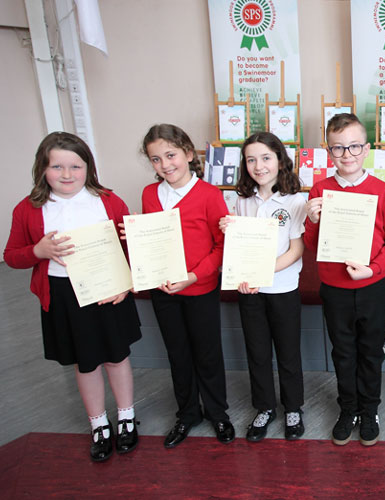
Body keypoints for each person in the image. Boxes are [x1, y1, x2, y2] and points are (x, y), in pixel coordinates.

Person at [4, 132, 141, 462]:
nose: (67, 174)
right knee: (85, 361)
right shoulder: (29, 208)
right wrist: (38, 251)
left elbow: (130, 247)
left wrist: (127, 283)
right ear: (42, 168)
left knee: (117, 356)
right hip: (64, 293)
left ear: (88, 168)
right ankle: (98, 424)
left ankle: (126, 417)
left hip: (109, 288)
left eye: (75, 166)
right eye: (57, 167)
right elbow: (11, 256)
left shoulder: (107, 200)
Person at [303, 113, 385, 446]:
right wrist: (312, 221)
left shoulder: (381, 191)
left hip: (372, 286)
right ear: (328, 151)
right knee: (343, 353)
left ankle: (370, 410)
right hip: (334, 289)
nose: (347, 154)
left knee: (371, 352)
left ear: (367, 148)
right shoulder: (320, 190)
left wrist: (373, 269)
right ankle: (348, 409)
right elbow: (312, 245)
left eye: (354, 146)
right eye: (338, 148)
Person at [140, 124, 234, 447]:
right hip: (163, 290)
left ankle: (218, 413)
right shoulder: (149, 194)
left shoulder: (209, 195)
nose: (165, 165)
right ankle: (187, 413)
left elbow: (221, 246)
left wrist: (194, 276)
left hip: (199, 288)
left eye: (171, 155)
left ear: (189, 154)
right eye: (156, 159)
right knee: (177, 354)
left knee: (207, 354)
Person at [219, 132, 306, 442]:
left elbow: (296, 250)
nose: (259, 166)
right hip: (250, 291)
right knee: (256, 352)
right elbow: (238, 247)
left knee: (288, 352)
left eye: (266, 158)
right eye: (251, 160)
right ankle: (265, 407)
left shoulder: (295, 200)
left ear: (280, 161)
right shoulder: (240, 200)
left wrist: (262, 272)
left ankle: (293, 408)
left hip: (282, 288)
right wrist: (227, 230)